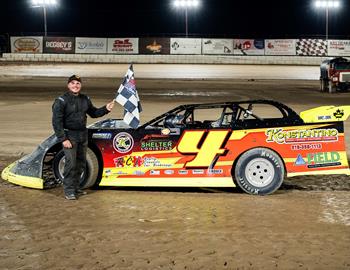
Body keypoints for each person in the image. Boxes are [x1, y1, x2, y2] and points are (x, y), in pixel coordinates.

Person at [52, 75, 114, 200]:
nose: (75, 85)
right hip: (69, 136)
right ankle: (69, 190)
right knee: (71, 164)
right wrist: (63, 139)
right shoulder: (61, 101)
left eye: (78, 83)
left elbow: (93, 113)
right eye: (73, 83)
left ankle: (76, 188)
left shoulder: (85, 99)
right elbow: (56, 122)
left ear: (81, 85)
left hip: (82, 135)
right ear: (68, 85)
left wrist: (106, 109)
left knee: (80, 164)